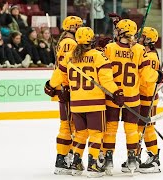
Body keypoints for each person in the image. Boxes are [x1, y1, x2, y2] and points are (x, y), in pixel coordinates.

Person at [45, 27, 124, 177]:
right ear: (92, 40)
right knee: (96, 134)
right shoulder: (98, 56)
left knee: (80, 133)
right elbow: (106, 80)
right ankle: (93, 165)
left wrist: (50, 85)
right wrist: (116, 92)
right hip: (95, 103)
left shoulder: (69, 56)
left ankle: (76, 163)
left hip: (76, 103)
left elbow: (58, 76)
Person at [102, 19, 163, 175]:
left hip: (114, 95)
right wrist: (158, 75)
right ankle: (132, 159)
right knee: (132, 130)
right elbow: (146, 75)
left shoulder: (109, 48)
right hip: (134, 96)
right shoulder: (139, 50)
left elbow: (102, 69)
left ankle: (109, 159)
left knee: (111, 129)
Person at [49, 16, 83, 175]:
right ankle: (62, 158)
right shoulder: (70, 43)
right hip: (67, 89)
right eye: (79, 27)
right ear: (74, 27)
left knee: (69, 124)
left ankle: (66, 155)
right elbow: (68, 67)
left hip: (64, 88)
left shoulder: (64, 41)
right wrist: (66, 87)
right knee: (68, 125)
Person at [136, 27, 161, 173]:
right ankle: (136, 156)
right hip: (141, 96)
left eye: (142, 36)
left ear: (148, 40)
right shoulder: (144, 53)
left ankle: (154, 157)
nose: (139, 38)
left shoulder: (151, 56)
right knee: (139, 128)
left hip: (147, 96)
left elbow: (147, 78)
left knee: (147, 128)